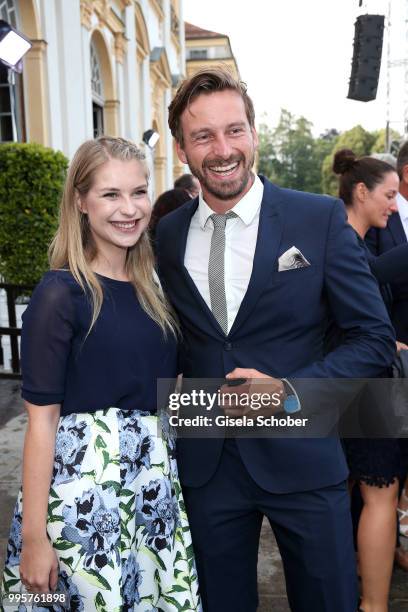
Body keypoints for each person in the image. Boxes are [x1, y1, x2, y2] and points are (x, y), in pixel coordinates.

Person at [155, 68, 396, 612]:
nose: (223, 149)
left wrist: (289, 390)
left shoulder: (319, 219)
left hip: (304, 452)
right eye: (203, 136)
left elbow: (373, 337)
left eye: (234, 130)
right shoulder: (165, 235)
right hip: (207, 462)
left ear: (255, 134)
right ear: (181, 149)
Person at [1, 137, 201, 611]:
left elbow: (166, 398)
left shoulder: (154, 289)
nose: (129, 209)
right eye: (111, 194)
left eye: (139, 192)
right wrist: (34, 539)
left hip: (151, 494)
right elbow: (42, 423)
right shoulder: (60, 293)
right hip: (83, 506)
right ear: (80, 201)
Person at [332, 148, 408, 612]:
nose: (394, 206)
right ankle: (373, 605)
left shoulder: (344, 243)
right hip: (364, 385)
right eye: (389, 195)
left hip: (350, 384)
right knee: (381, 495)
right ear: (361, 192)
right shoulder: (346, 246)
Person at [366, 141, 408, 570]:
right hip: (383, 372)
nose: (392, 205)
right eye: (388, 195)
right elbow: (367, 280)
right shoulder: (368, 224)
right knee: (379, 483)